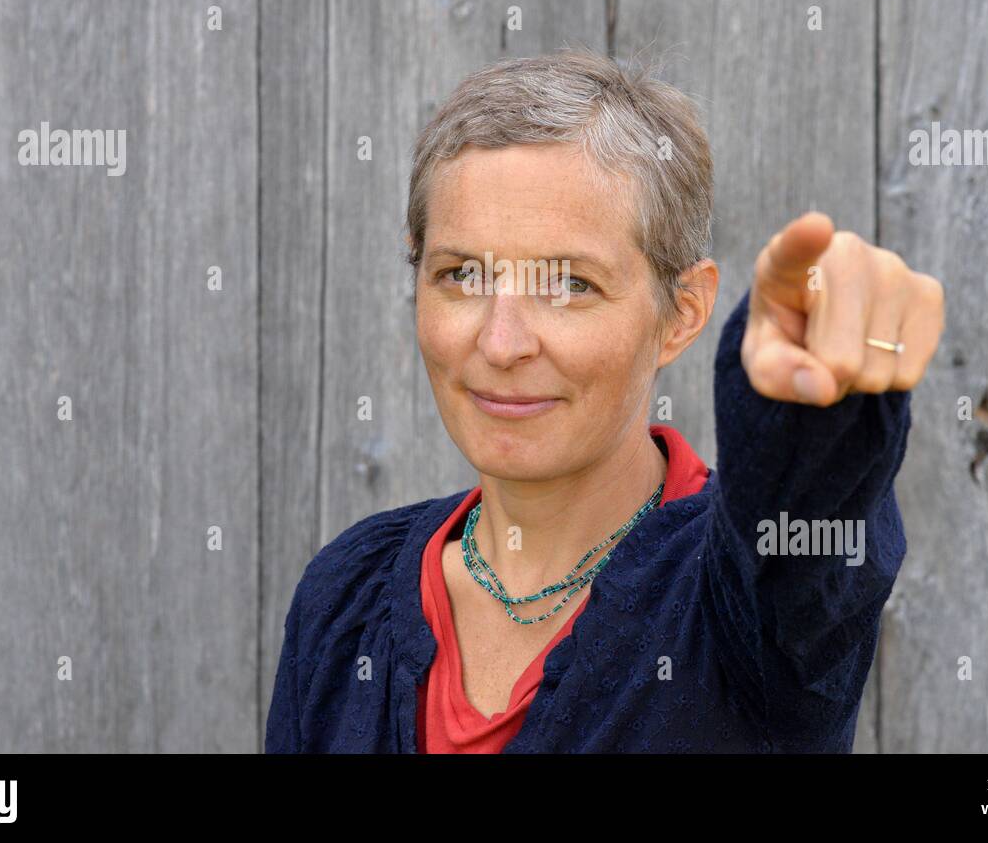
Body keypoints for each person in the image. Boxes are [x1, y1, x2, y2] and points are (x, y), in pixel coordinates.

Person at [265, 48, 944, 753]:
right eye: (461, 273)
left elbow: (807, 516)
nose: (501, 343)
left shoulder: (737, 606)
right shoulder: (344, 596)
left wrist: (818, 391)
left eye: (568, 285)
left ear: (682, 312)